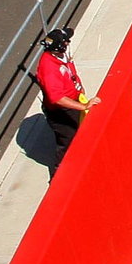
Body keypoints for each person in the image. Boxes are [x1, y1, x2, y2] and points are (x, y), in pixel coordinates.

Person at [36, 27, 100, 176]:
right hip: (60, 111)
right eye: (66, 41)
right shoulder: (49, 68)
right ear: (60, 46)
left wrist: (78, 86)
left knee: (82, 131)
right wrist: (83, 106)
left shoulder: (62, 56)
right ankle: (59, 174)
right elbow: (57, 98)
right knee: (67, 140)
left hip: (73, 99)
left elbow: (70, 71)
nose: (69, 43)